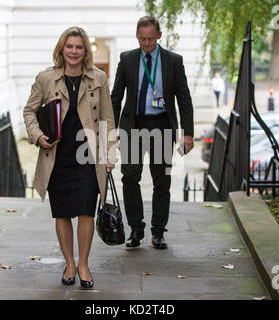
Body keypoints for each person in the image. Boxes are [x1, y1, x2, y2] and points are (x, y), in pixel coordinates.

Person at [23, 27, 116, 289]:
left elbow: (108, 118)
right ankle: (70, 263)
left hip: (88, 155)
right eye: (69, 46)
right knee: (62, 213)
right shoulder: (45, 78)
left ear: (85, 51)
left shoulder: (99, 78)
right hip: (57, 156)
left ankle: (84, 264)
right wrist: (37, 134)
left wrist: (110, 155)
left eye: (79, 47)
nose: (74, 51)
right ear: (61, 49)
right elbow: (29, 112)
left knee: (86, 211)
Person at [111, 16, 194, 250]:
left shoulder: (173, 61)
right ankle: (136, 228)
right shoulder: (127, 59)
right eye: (141, 39)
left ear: (159, 35)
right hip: (133, 125)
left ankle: (158, 231)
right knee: (129, 176)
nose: (146, 43)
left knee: (162, 179)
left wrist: (188, 133)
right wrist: (110, 129)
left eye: (150, 38)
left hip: (161, 126)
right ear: (137, 36)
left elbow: (184, 98)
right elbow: (116, 97)